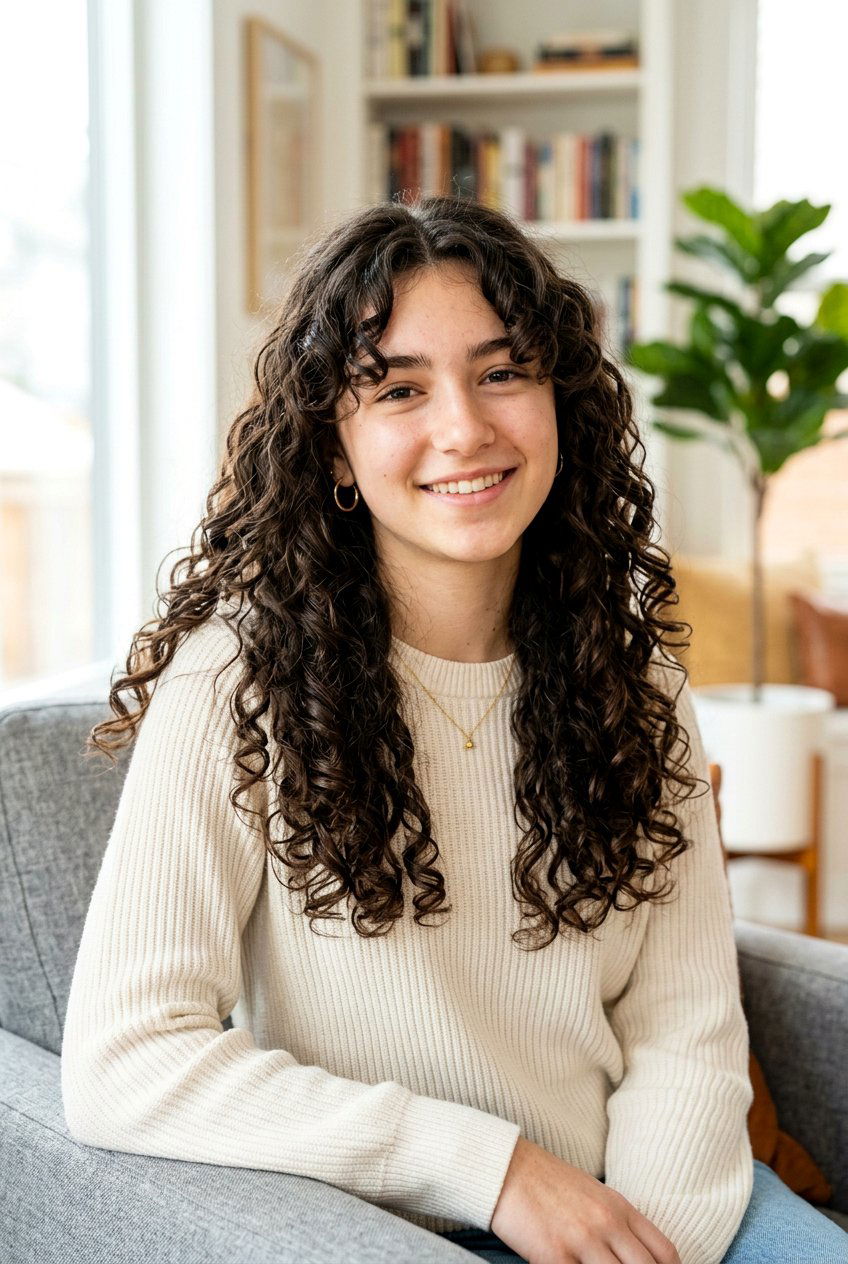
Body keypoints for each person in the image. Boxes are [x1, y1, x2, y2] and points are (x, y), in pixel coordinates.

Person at [60, 194, 847, 1264]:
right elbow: (125, 1059)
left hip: (658, 1206)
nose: (464, 428)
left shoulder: (637, 679)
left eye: (501, 371)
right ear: (333, 449)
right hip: (396, 1225)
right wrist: (496, 1168)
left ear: (558, 399)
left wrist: (653, 1237)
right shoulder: (234, 684)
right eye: (396, 387)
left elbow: (684, 1027)